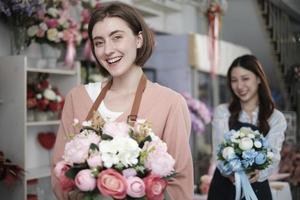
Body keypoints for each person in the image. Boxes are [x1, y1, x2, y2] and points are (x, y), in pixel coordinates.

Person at [51, 2, 194, 200]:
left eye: (117, 37)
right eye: (99, 42)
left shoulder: (170, 103)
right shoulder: (78, 98)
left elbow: (180, 185)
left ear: (138, 39)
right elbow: (59, 174)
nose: (108, 50)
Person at [207, 55, 287, 199]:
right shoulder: (223, 112)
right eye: (234, 80)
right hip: (224, 189)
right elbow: (218, 151)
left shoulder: (275, 118)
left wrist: (258, 173)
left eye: (245, 79)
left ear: (258, 79)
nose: (239, 86)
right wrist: (231, 173)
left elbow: (273, 156)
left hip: (257, 187)